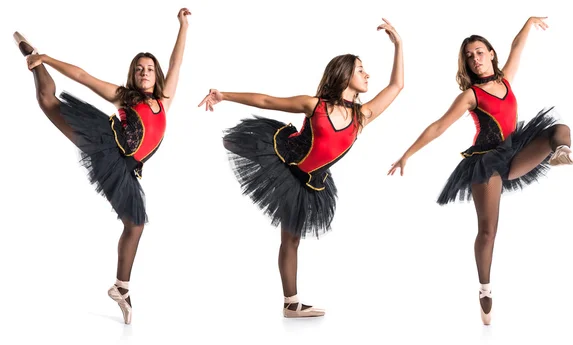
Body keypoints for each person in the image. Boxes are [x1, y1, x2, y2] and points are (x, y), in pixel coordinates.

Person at [199, 18, 404, 318]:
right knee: (239, 149)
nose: (366, 73)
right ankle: (291, 302)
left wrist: (398, 45)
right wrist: (224, 95)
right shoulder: (315, 105)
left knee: (291, 239)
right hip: (284, 161)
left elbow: (397, 85)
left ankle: (290, 304)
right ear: (344, 75)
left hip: (309, 183)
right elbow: (268, 100)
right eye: (360, 69)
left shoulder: (363, 116)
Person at [388, 16, 573, 325]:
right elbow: (438, 126)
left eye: (479, 52)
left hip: (515, 152)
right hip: (486, 161)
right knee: (488, 230)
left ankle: (560, 153)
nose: (475, 59)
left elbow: (517, 47)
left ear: (490, 53)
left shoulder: (506, 80)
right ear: (467, 63)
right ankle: (485, 290)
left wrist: (528, 23)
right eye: (469, 56)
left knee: (561, 129)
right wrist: (407, 154)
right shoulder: (471, 96)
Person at [13, 7, 192, 324]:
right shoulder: (126, 97)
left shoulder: (165, 100)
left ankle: (121, 287)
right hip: (107, 143)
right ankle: (33, 58)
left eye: (149, 68)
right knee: (48, 101)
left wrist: (184, 25)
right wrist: (47, 59)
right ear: (133, 75)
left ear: (157, 74)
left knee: (135, 224)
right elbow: (83, 76)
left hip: (126, 169)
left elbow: (177, 61)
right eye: (139, 68)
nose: (144, 72)